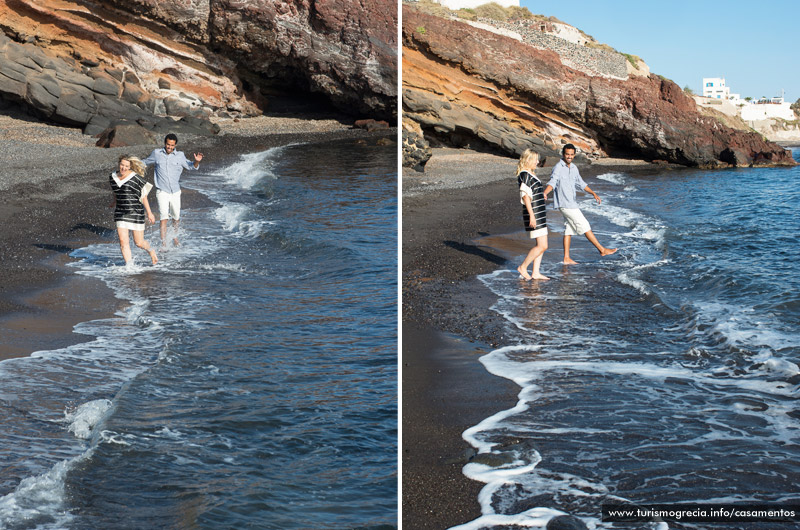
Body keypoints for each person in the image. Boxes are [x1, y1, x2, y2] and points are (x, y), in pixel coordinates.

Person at [543, 144, 617, 264]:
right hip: (565, 204)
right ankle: (602, 249)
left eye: (572, 155)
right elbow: (553, 182)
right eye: (567, 154)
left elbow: (581, 183)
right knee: (585, 225)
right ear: (563, 154)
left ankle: (566, 258)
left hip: (571, 202)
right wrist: (545, 192)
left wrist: (593, 193)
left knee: (569, 228)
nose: (569, 157)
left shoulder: (574, 168)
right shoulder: (558, 167)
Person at [142, 133, 203, 247]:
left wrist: (197, 161)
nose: (169, 147)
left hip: (175, 191)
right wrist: (129, 165)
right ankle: (164, 243)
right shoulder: (157, 154)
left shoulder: (180, 156)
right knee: (163, 216)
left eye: (172, 145)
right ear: (165, 143)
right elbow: (144, 162)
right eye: (168, 144)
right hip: (162, 191)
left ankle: (175, 237)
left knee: (176, 217)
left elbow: (190, 166)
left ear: (175, 145)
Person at [110, 155, 158, 265]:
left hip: (135, 212)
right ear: (119, 164)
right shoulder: (112, 176)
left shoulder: (135, 178)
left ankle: (151, 251)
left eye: (126, 166)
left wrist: (149, 213)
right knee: (123, 241)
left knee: (139, 243)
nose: (123, 168)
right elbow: (115, 190)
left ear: (130, 167)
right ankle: (129, 266)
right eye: (122, 165)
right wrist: (114, 201)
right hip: (120, 212)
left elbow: (144, 196)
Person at [516, 149, 549, 280]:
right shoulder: (524, 174)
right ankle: (523, 267)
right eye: (535, 159)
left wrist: (542, 195)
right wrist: (532, 215)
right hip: (534, 213)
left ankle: (535, 272)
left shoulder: (530, 174)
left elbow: (532, 193)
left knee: (542, 246)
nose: (537, 161)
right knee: (542, 245)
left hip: (539, 213)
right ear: (528, 160)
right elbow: (525, 197)